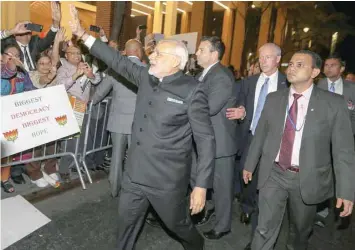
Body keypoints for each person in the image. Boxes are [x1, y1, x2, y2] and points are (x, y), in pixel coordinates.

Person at [69, 5, 215, 250]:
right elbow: (116, 59)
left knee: (178, 225)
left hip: (166, 180)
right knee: (125, 227)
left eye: (158, 54)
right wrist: (83, 35)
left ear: (176, 62)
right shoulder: (145, 76)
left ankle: (196, 245)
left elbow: (206, 140)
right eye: (153, 52)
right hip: (135, 174)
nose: (152, 57)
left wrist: (200, 186)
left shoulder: (192, 90)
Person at [243, 50, 355, 250]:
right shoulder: (274, 98)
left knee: (301, 231)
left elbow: (343, 150)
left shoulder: (333, 104)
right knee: (264, 228)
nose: (292, 67)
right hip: (273, 173)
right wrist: (250, 164)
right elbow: (261, 134)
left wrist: (346, 190)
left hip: (307, 177)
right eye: (291, 64)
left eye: (300, 64)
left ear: (314, 72)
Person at [226, 43, 288, 250]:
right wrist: (241, 113)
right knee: (247, 181)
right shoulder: (249, 82)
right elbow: (241, 104)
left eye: (268, 57)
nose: (262, 61)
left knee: (267, 187)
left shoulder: (287, 84)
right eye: (260, 57)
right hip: (250, 139)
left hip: (274, 144)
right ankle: (247, 206)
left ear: (278, 59)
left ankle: (259, 233)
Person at [191, 36, 238, 240]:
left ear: (214, 54)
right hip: (206, 139)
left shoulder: (221, 77)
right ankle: (206, 209)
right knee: (199, 178)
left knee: (221, 187)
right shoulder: (204, 74)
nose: (197, 53)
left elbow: (208, 108)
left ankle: (223, 225)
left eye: (201, 50)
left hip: (220, 142)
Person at [91, 39, 145, 197]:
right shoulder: (147, 70)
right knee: (136, 158)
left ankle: (114, 189)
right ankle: (134, 192)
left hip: (117, 122)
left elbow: (101, 92)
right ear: (139, 52)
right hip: (138, 123)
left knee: (116, 158)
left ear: (125, 52)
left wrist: (90, 103)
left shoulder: (115, 69)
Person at [2, 2, 61, 72]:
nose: (25, 30)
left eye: (29, 28)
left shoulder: (35, 42)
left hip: (36, 77)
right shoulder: (8, 43)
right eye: (22, 28)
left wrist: (56, 23)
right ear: (15, 33)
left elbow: (48, 40)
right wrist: (11, 31)